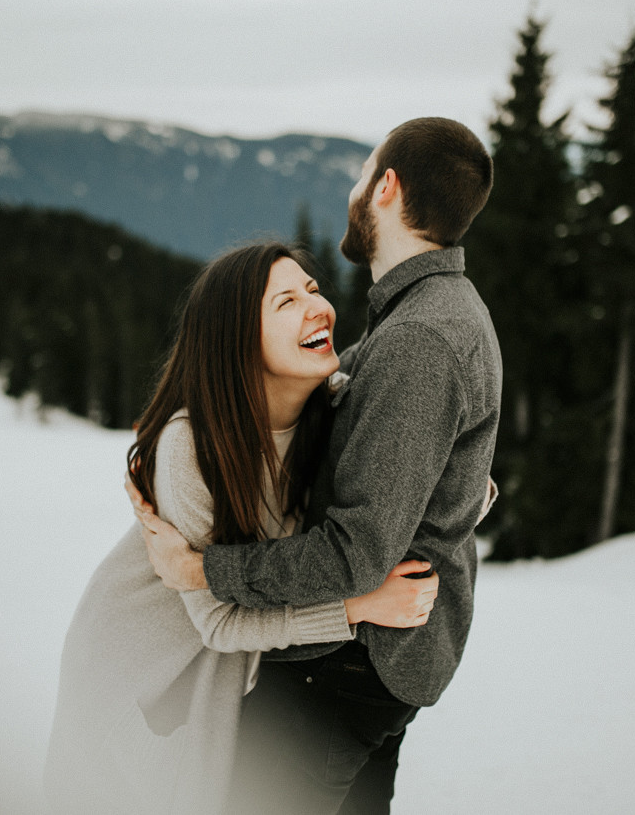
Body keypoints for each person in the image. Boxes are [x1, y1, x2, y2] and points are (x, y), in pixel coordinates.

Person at [133, 116, 500, 814]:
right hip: (372, 658)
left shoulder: (419, 337)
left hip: (344, 666)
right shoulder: (421, 318)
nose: (353, 189)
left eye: (362, 174)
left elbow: (356, 553)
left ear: (385, 188)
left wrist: (203, 570)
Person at [43, 242, 441, 815]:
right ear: (238, 339)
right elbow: (220, 622)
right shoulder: (191, 447)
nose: (318, 307)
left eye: (312, 289)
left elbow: (425, 469)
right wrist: (358, 606)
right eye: (287, 302)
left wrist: (449, 484)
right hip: (141, 665)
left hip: (226, 663)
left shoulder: (334, 408)